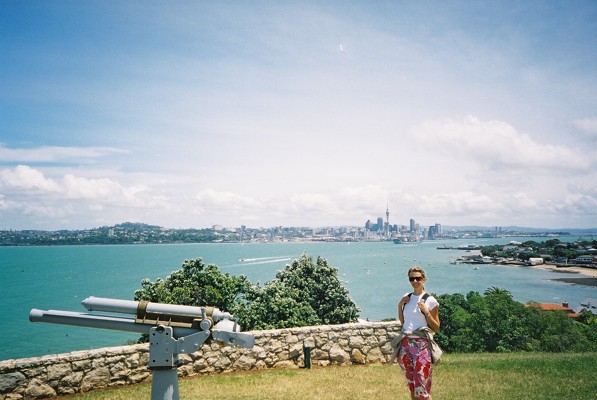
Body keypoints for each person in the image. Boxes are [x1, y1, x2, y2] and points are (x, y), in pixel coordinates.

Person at [396, 266, 440, 400]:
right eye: (412, 279)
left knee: (422, 387)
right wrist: (400, 305)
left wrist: (426, 312)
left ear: (424, 279)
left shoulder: (430, 300)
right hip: (405, 345)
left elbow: (436, 327)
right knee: (412, 386)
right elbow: (403, 322)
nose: (415, 281)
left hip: (422, 346)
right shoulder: (406, 298)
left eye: (418, 278)